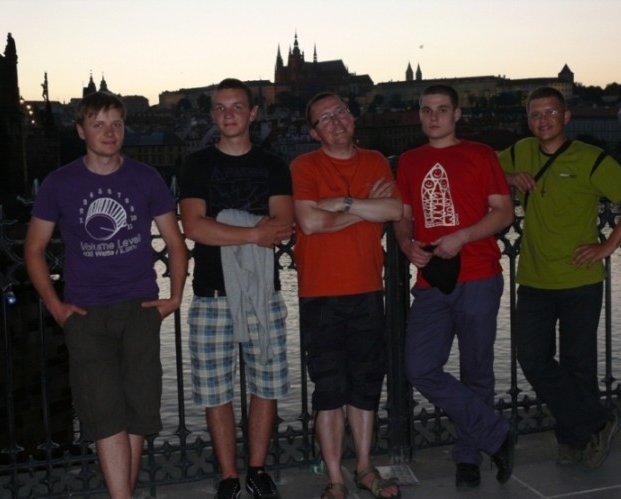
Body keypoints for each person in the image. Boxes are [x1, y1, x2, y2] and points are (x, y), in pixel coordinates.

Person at [24, 91, 188, 499]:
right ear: (81, 130)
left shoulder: (145, 178)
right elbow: (33, 249)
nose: (109, 132)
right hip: (85, 312)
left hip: (140, 307)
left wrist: (175, 297)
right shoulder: (59, 183)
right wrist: (56, 307)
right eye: (98, 124)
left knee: (138, 413)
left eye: (116, 123)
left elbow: (175, 242)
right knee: (104, 414)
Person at [499, 86, 621, 468]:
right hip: (534, 279)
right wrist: (510, 176)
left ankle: (574, 440)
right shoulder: (521, 151)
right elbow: (480, 167)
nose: (543, 120)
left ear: (566, 117)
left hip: (580, 279)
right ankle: (598, 422)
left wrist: (609, 245)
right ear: (528, 120)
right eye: (535, 114)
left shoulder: (589, 158)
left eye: (551, 112)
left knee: (578, 365)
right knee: (532, 359)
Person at [393, 84, 517, 489]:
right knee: (419, 367)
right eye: (427, 110)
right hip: (432, 279)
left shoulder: (481, 155)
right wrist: (406, 244)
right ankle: (496, 434)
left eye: (442, 109)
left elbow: (503, 213)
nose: (434, 117)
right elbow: (403, 216)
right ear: (419, 114)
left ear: (457, 114)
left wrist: (462, 236)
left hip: (479, 274)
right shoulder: (409, 161)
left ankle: (469, 456)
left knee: (476, 370)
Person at [179, 78, 293, 499]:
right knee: (216, 391)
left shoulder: (274, 165)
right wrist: (252, 232)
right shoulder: (195, 164)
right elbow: (194, 227)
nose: (229, 115)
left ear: (253, 113)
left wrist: (223, 224)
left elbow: (282, 226)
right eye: (221, 107)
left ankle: (256, 470)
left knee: (267, 383)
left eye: (237, 106)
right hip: (211, 293)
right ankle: (229, 476)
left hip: (264, 293)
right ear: (212, 114)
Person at [291, 92, 403, 499]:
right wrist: (367, 207)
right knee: (329, 388)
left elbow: (395, 211)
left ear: (352, 118)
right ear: (314, 132)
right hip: (320, 292)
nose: (336, 122)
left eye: (340, 113)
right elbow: (308, 222)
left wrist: (342, 204)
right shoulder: (304, 165)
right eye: (325, 118)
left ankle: (365, 467)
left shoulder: (375, 160)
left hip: (368, 288)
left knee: (366, 384)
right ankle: (335, 477)